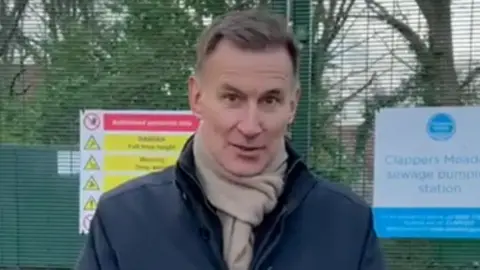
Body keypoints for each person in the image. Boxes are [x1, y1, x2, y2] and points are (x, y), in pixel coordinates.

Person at [76, 9, 386, 270]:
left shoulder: (347, 224)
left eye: (270, 100)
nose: (250, 126)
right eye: (232, 98)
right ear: (197, 97)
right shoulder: (123, 220)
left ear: (293, 105)